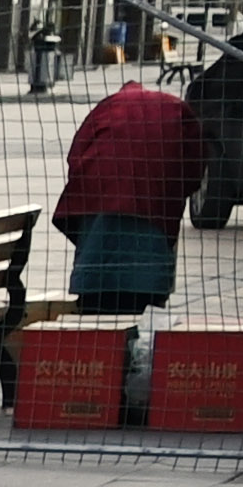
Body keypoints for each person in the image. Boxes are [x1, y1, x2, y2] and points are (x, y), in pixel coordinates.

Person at [53, 74, 202, 315]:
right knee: (143, 300)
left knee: (97, 296)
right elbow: (194, 168)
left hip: (97, 225)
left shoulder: (106, 107)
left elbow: (76, 157)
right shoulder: (175, 109)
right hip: (151, 217)